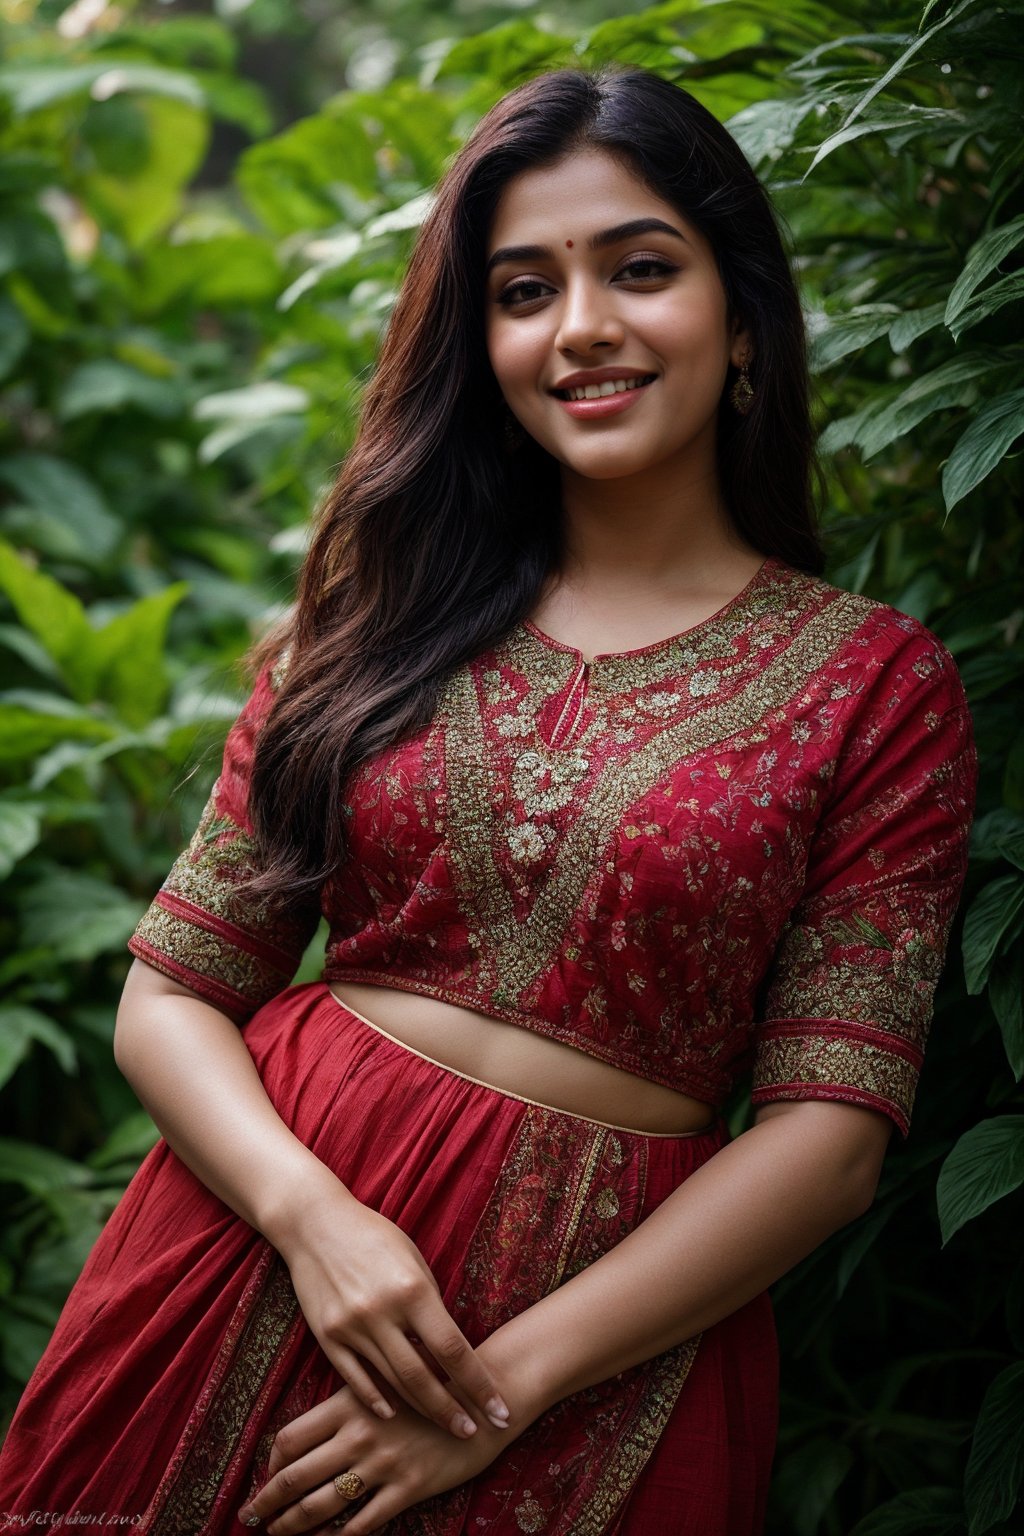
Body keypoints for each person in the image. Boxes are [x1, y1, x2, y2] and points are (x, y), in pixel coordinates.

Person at [0, 64, 976, 1536]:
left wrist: (493, 1397)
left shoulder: (874, 686)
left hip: (599, 1354)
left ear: (745, 315)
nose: (581, 327)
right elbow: (174, 992)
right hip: (258, 1266)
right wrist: (316, 1222)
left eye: (640, 270)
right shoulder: (379, 612)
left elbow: (830, 1141)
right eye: (524, 291)